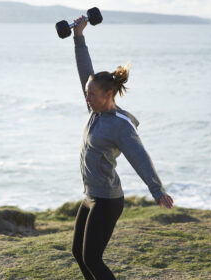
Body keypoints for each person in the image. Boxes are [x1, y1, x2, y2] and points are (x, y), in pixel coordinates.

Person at [71, 15, 174, 280]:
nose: (86, 96)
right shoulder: (95, 108)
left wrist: (157, 190)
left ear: (108, 95)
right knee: (79, 254)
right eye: (86, 92)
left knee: (92, 258)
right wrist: (79, 37)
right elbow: (86, 72)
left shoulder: (120, 125)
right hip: (90, 195)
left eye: (91, 94)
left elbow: (140, 157)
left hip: (107, 199)